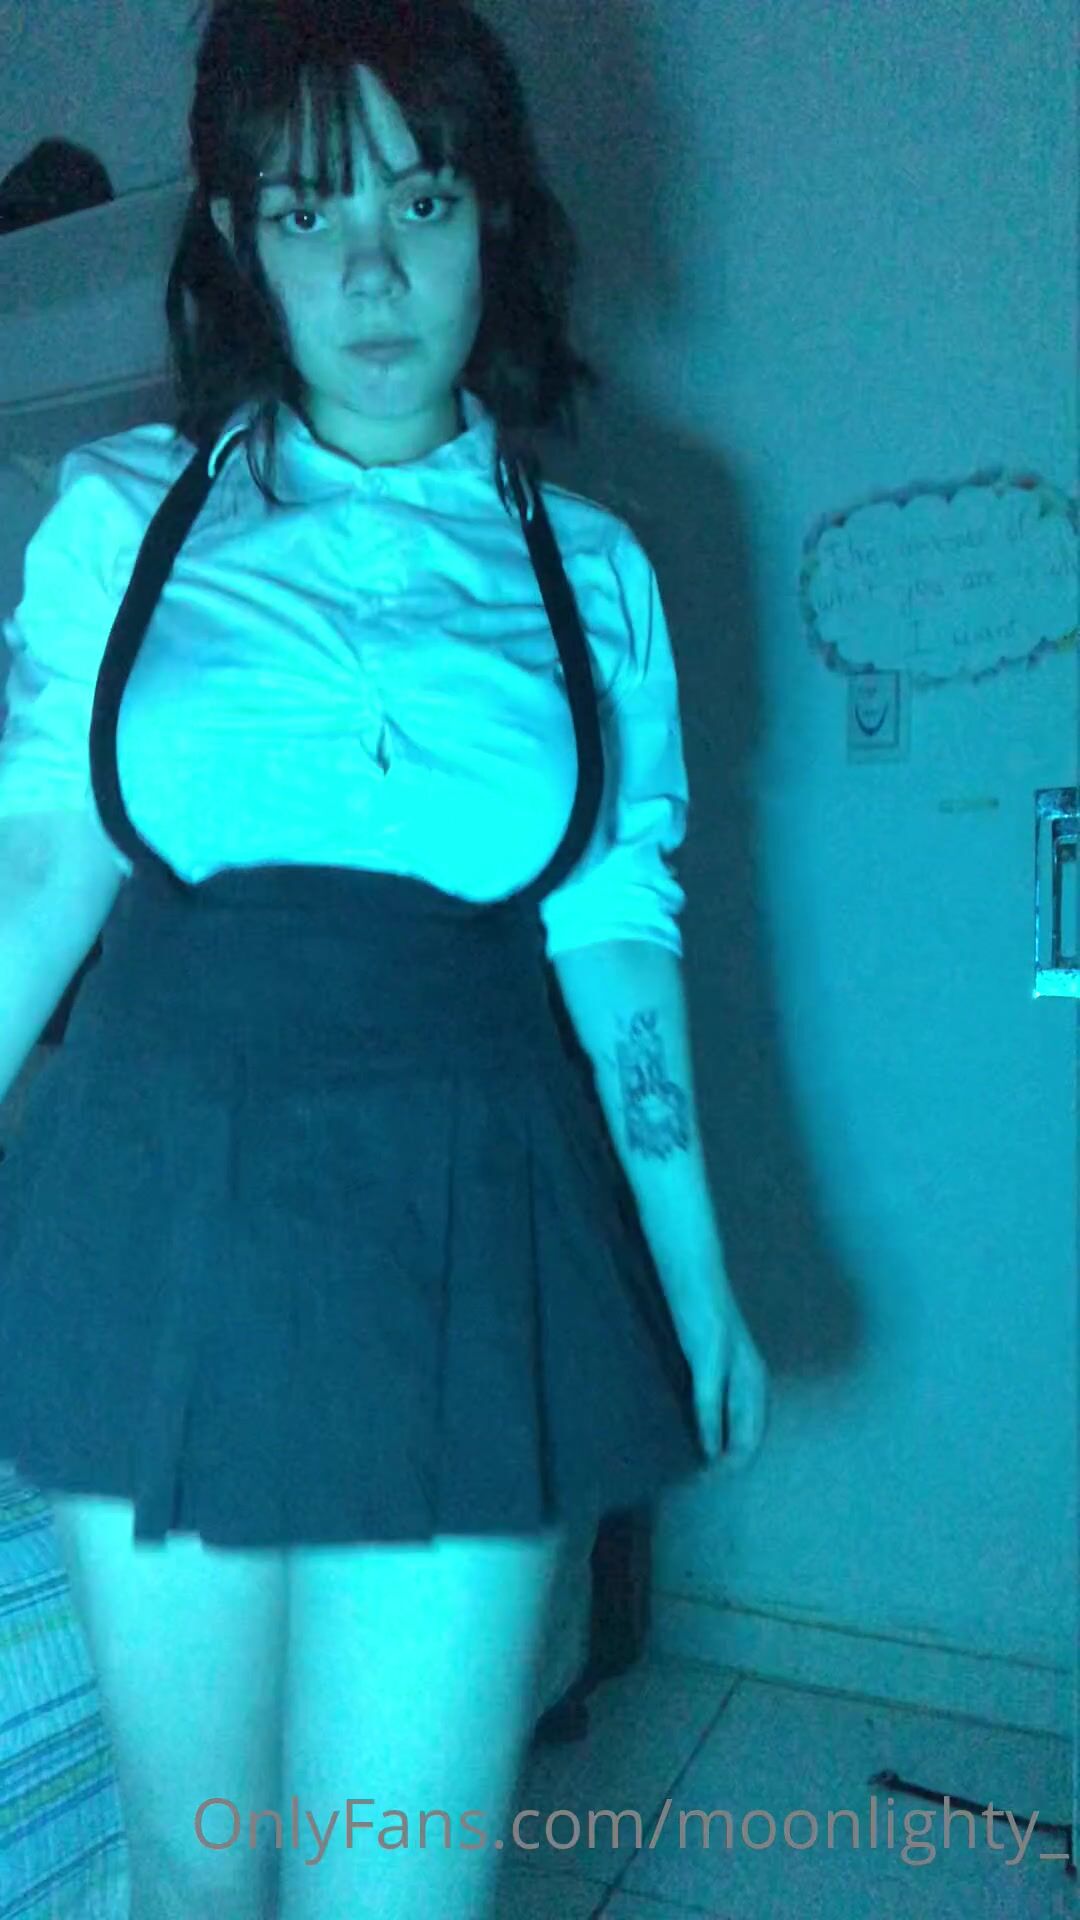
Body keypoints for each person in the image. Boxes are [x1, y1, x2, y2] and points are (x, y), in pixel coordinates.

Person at [0, 1, 766, 1915]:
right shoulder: (120, 523)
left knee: (400, 1887)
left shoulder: (588, 570)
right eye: (308, 210)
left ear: (492, 213)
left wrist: (696, 1274)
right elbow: (39, 878)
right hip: (154, 1208)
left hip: (468, 1223)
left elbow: (615, 926)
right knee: (197, 1874)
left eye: (418, 204)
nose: (366, 272)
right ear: (237, 239)